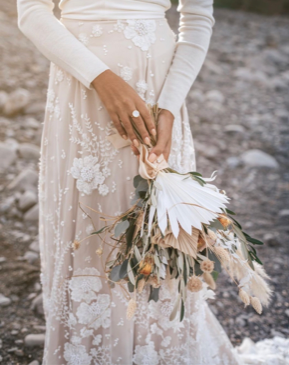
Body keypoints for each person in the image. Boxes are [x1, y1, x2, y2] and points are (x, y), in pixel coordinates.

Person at [17, 0, 243, 364]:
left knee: (157, 233)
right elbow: (31, 11)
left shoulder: (166, 104)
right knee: (91, 232)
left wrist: (169, 106)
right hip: (82, 88)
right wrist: (100, 78)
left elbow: (198, 16)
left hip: (157, 93)